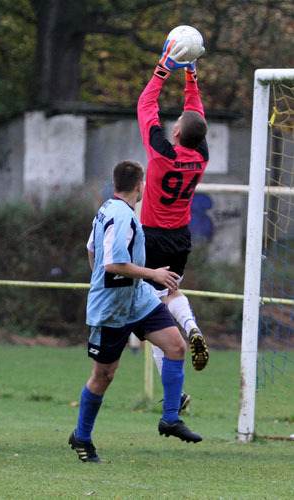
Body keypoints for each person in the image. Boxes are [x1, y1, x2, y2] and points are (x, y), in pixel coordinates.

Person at [69, 160, 202, 464]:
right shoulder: (121, 216)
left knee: (175, 345)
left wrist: (128, 281)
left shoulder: (107, 210)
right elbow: (113, 265)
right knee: (104, 375)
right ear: (140, 185)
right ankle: (82, 437)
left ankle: (170, 418)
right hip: (112, 309)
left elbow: (91, 249)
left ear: (114, 184)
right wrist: (152, 274)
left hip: (138, 299)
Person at [137, 38, 210, 389]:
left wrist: (165, 67)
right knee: (170, 296)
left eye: (178, 120)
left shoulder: (162, 153)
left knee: (152, 315)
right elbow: (196, 116)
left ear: (176, 131)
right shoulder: (201, 157)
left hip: (151, 237)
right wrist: (191, 75)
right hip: (181, 238)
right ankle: (192, 327)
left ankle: (173, 394)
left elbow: (146, 104)